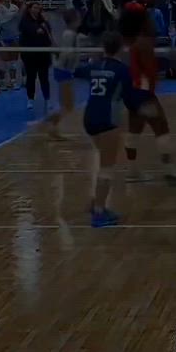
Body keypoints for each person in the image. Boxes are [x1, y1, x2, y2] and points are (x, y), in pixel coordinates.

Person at [119, 3, 176, 185]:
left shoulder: (125, 40)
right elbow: (151, 70)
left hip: (129, 92)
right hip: (142, 91)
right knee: (161, 127)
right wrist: (173, 61)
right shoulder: (143, 42)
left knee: (134, 129)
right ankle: (170, 170)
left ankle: (132, 171)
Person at [79, 32, 131, 227]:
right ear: (121, 48)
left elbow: (71, 71)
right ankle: (99, 212)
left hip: (89, 117)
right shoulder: (122, 70)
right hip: (107, 119)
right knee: (107, 167)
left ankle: (97, 202)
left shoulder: (94, 66)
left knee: (104, 161)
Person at [43, 9, 83, 140]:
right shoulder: (69, 35)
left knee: (68, 105)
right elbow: (66, 54)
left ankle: (51, 126)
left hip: (65, 71)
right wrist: (68, 69)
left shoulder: (72, 34)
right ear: (75, 20)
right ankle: (49, 124)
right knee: (68, 106)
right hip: (64, 71)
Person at [19, 0, 53, 114]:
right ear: (29, 9)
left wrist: (45, 25)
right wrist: (38, 30)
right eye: (34, 7)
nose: (37, 10)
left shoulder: (43, 21)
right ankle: (30, 99)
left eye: (38, 8)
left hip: (43, 54)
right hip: (30, 55)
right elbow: (34, 31)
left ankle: (47, 99)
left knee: (44, 78)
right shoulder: (25, 21)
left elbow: (47, 33)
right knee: (31, 78)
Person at [0, 0, 24, 90]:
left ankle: (13, 81)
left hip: (14, 36)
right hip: (3, 37)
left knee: (13, 62)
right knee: (3, 62)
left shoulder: (15, 7)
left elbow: (18, 20)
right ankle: (2, 82)